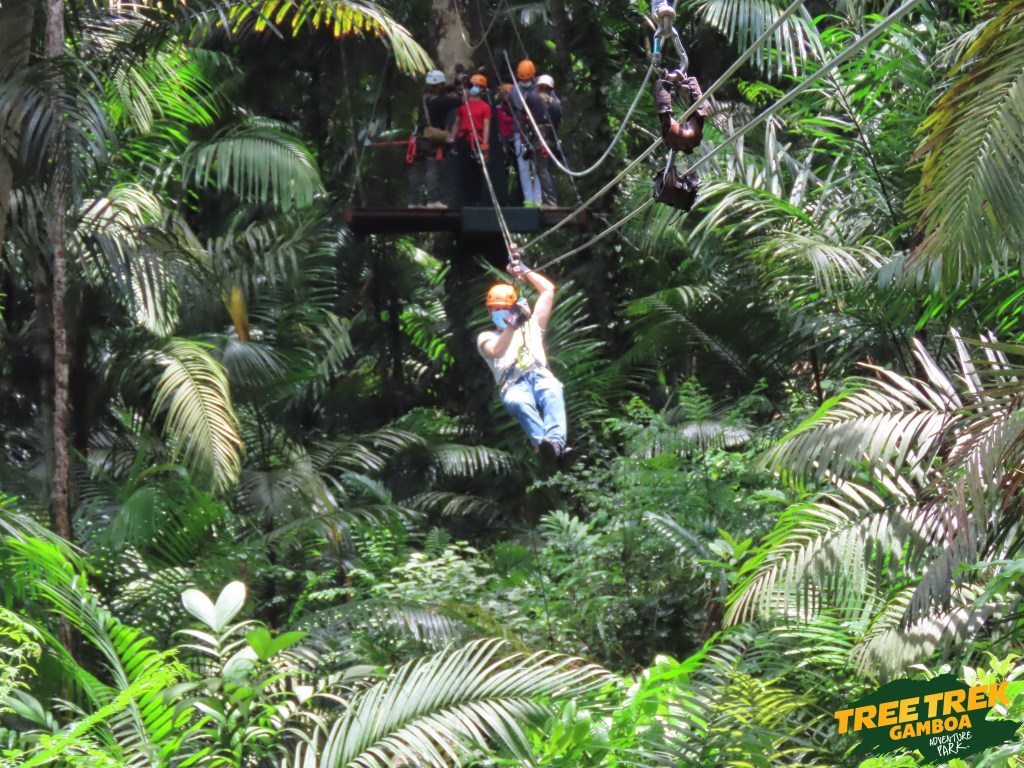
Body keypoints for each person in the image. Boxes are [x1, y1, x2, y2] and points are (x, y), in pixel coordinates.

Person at [477, 247, 568, 462]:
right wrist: (512, 323)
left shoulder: (532, 326)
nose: (500, 312)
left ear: (513, 306)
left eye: (505, 308)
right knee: (519, 403)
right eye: (495, 308)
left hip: (539, 374)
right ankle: (544, 445)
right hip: (513, 384)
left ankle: (555, 445)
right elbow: (496, 351)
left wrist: (523, 269)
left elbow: (548, 290)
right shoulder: (486, 337)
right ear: (489, 311)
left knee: (553, 391)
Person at [408, 70, 461, 208]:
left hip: (419, 137)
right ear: (439, 85)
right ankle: (432, 201)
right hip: (432, 138)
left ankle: (412, 202)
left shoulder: (424, 98)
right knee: (433, 168)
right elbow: (460, 101)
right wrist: (457, 89)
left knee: (417, 170)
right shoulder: (442, 101)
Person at [449, 73, 493, 206]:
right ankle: (468, 200)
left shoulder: (485, 107)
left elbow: (486, 126)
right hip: (463, 140)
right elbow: (457, 123)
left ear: (483, 89)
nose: (475, 88)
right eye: (474, 85)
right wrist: (451, 139)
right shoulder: (463, 106)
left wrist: (485, 144)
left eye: (478, 86)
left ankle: (476, 200)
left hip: (477, 141)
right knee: (465, 170)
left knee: (477, 171)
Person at [525, 74, 562, 208]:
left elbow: (526, 115)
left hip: (539, 137)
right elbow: (558, 121)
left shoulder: (532, 98)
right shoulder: (557, 104)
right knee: (548, 170)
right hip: (551, 138)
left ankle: (550, 200)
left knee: (542, 169)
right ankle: (551, 198)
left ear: (539, 86)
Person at [510, 59, 543, 208]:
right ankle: (528, 199)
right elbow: (523, 108)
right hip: (520, 132)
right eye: (522, 79)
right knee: (523, 168)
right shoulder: (515, 90)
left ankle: (538, 198)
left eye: (527, 79)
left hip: (538, 133)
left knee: (538, 167)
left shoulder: (540, 87)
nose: (525, 82)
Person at [654, 69, 706, 153]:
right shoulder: (694, 131)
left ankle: (664, 84)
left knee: (698, 111)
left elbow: (699, 107)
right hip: (678, 137)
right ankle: (664, 84)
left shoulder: (696, 131)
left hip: (687, 137)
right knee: (698, 111)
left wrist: (686, 81)